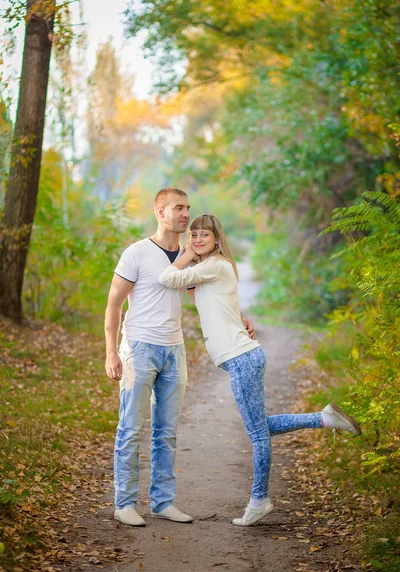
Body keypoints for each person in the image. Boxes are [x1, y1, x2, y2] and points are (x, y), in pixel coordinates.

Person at [158, 213, 362, 527]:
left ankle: (259, 499)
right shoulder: (209, 269)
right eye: (193, 235)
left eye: (204, 235)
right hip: (242, 357)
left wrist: (183, 256)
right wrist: (242, 316)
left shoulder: (216, 265)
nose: (197, 240)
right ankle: (324, 418)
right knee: (261, 427)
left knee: (257, 435)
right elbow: (206, 297)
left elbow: (168, 279)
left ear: (216, 239)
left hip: (242, 358)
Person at [104, 189, 255, 527]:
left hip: (175, 350)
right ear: (160, 211)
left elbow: (213, 295)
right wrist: (112, 351)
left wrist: (239, 317)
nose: (186, 214)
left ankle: (162, 502)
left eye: (188, 208)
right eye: (178, 208)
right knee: (130, 428)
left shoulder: (192, 257)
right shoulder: (137, 253)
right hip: (139, 348)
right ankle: (125, 503)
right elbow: (114, 304)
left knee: (166, 432)